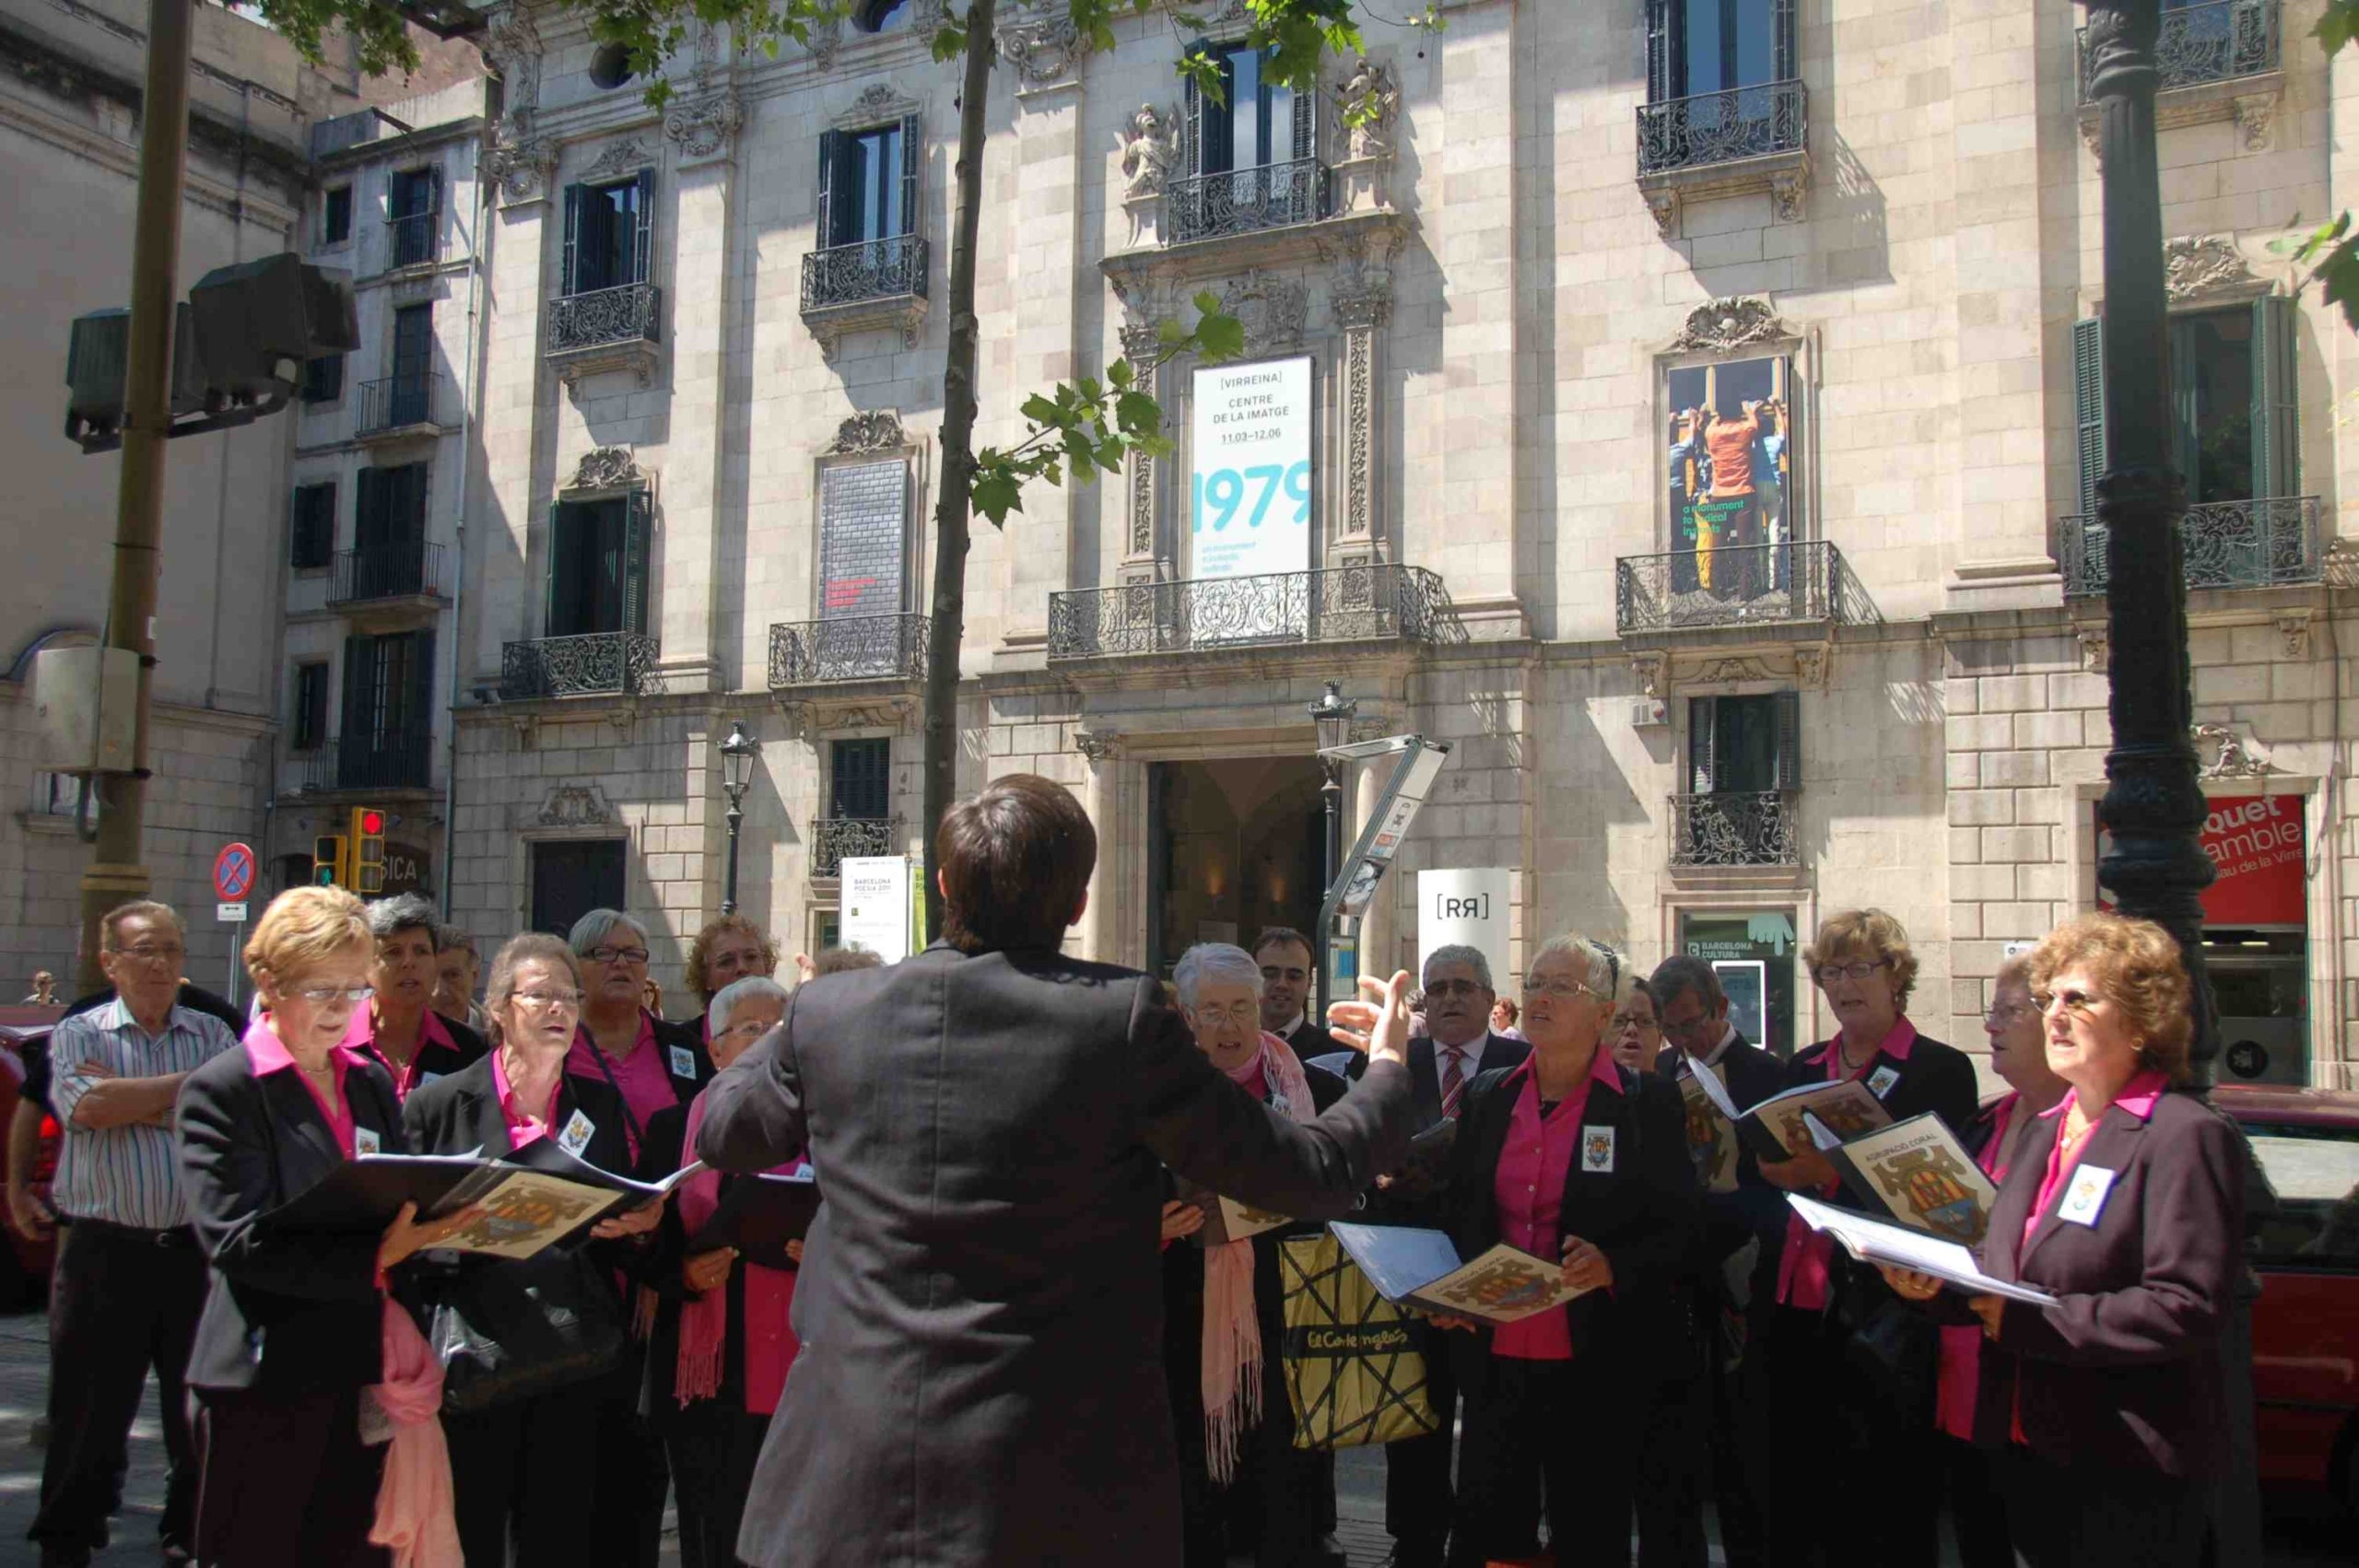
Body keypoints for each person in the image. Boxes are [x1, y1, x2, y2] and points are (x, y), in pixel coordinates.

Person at [695, 772, 1415, 1567]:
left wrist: (794, 1020)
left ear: (943, 887)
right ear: (1076, 905)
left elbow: (727, 1134)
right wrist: (1385, 1066)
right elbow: (1311, 1169)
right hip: (1056, 1485)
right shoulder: (1123, 1019)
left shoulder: (830, 1013)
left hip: (847, 1479)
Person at [1883, 914, 2245, 1568]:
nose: (2056, 1015)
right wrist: (1932, 1287)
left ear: (2141, 1020)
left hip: (2126, 1462)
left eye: (2079, 999)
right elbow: (2004, 1272)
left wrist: (2032, 1321)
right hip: (2024, 1452)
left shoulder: (2183, 1135)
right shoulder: (2048, 1132)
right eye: (2050, 999)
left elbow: (2187, 1304)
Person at [174, 885, 475, 1568]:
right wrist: (376, 1252)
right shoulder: (226, 1088)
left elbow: (391, 1190)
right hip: (263, 1377)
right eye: (320, 990)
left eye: (352, 988)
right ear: (269, 983)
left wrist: (447, 1217)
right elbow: (237, 1240)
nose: (341, 1009)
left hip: (357, 1371)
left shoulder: (367, 1082)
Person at [1434, 934, 1697, 1568]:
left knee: (1590, 1531)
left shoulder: (1645, 1103)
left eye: (1563, 987)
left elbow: (1683, 1229)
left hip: (1595, 1361)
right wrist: (1449, 1290)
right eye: (1534, 983)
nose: (1541, 997)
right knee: (1493, 1533)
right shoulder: (1488, 1096)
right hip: (1497, 1360)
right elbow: (1461, 1213)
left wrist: (1615, 1264)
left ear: (1605, 1014)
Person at [403, 932, 660, 1567]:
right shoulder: (438, 1106)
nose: (559, 1010)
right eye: (540, 995)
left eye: (568, 997)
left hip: (571, 1361)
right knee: (473, 1535)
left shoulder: (594, 1105)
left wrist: (637, 1226)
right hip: (475, 1356)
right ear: (498, 1009)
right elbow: (401, 1241)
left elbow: (607, 1233)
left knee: (559, 1536)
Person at [1753, 910, 1978, 1567]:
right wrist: (1769, 1166)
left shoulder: (1939, 1070)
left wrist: (1832, 1170)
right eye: (1830, 971)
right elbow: (1769, 1171)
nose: (1843, 983)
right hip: (1794, 1300)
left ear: (1896, 975)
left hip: (1882, 1310)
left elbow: (1943, 1198)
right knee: (1796, 1492)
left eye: (1859, 968)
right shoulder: (1802, 1065)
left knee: (1884, 1499)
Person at [28, 901, 237, 1568]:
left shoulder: (213, 1032)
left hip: (191, 1256)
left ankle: (189, 1535)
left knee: (198, 1414)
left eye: (172, 950)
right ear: (109, 961)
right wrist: (186, 1094)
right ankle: (68, 1541)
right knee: (85, 1416)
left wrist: (133, 1100)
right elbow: (86, 1107)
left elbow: (231, 1119)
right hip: (102, 1254)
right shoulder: (80, 1030)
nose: (160, 963)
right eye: (145, 950)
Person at [1161, 943, 1349, 1568]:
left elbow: (1346, 1191)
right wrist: (1151, 1221)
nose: (1230, 1025)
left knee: (1283, 1498)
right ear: (1186, 1017)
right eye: (1211, 1010)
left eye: (1241, 1007)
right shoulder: (1154, 1100)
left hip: (1290, 1314)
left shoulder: (1315, 1089)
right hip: (1187, 1317)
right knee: (1198, 1490)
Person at [1352, 943, 1531, 1568]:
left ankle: (1489, 1540)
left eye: (1463, 986)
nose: (1450, 998)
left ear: (1489, 996)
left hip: (1492, 1267)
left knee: (1497, 1416)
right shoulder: (1397, 1061)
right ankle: (1416, 1539)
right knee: (1415, 1418)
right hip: (1414, 1267)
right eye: (1437, 989)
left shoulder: (1524, 1062)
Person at [567, 908, 714, 1563]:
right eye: (603, 953)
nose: (621, 963)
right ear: (576, 968)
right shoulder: (557, 1044)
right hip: (578, 1274)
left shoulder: (682, 1050)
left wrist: (664, 1266)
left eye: (633, 953)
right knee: (571, 1473)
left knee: (642, 1470)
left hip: (658, 1278)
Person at [639, 976, 798, 1568]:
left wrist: (822, 1247)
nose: (768, 1040)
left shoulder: (821, 1127)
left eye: (780, 1029)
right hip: (705, 1370)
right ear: (715, 1049)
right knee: (712, 1531)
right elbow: (642, 1247)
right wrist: (683, 1272)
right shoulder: (671, 1128)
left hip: (796, 1361)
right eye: (752, 1029)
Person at [1926, 954, 2068, 1568]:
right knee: (1978, 1539)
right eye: (1992, 1013)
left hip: (2038, 1392)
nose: (1991, 1028)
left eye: (2009, 1013)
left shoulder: (2087, 1130)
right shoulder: (1986, 1121)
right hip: (1963, 1386)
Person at [1648, 955, 1788, 1568]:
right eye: (1672, 1030)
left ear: (1722, 1007)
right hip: (1679, 1285)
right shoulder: (1660, 1072)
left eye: (1693, 1024)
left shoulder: (1767, 1073)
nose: (1685, 1040)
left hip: (1746, 1279)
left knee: (1746, 1456)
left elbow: (1783, 1187)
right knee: (1678, 1450)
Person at [1611, 976, 1711, 1567]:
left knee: (1669, 1500)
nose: (1630, 1032)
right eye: (1619, 1021)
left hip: (1669, 1326)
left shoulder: (1682, 1099)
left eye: (1643, 1022)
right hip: (1594, 1331)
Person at [346, 895, 487, 1098]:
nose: (409, 963)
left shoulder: (474, 1049)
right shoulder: (334, 1041)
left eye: (421, 951)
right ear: (366, 964)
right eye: (394, 952)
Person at [1253, 927, 1342, 1059]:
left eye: (1294, 976)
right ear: (1250, 979)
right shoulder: (1223, 1047)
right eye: (1270, 974)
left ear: (1309, 985)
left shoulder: (1338, 1053)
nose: (1281, 984)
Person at [684, 916, 779, 1022]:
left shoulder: (791, 1032)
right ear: (706, 977)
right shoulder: (682, 1037)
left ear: (766, 965)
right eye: (726, 962)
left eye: (751, 957)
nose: (742, 968)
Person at [431, 926, 485, 1033]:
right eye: (430, 977)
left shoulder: (501, 1038)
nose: (438, 991)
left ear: (474, 976)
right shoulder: (400, 1039)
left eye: (452, 975)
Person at [1609, 978, 1661, 1074]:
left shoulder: (1675, 1088)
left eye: (1645, 1022)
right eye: (1618, 1022)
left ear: (1660, 1038)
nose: (1631, 1029)